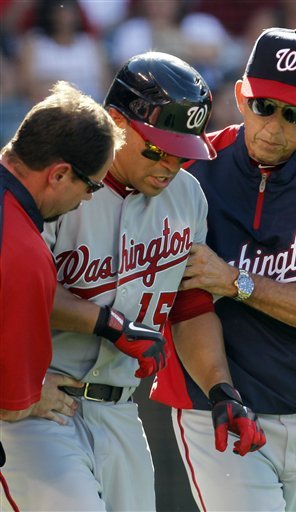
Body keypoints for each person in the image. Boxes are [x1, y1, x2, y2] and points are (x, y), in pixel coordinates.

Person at [0, 52, 265, 511]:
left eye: (183, 154)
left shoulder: (188, 197)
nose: (170, 166)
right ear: (117, 123)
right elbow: (20, 288)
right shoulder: (61, 186)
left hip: (120, 409)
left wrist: (221, 389)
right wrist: (108, 323)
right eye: (158, 149)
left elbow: (189, 306)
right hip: (40, 398)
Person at [151, 28, 296, 511]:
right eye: (263, 106)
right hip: (215, 406)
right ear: (241, 96)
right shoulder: (191, 171)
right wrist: (221, 392)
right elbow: (184, 305)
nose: (274, 126)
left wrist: (236, 282)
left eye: (294, 113)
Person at [0, 80, 123, 508]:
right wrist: (33, 392)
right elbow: (11, 404)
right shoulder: (23, 252)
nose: (88, 200)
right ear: (58, 174)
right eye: (91, 187)